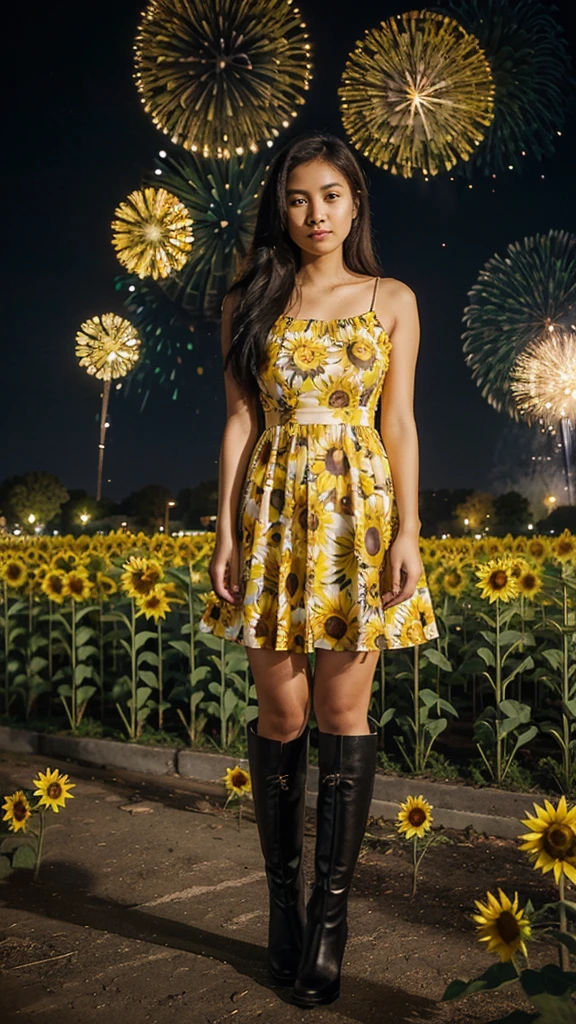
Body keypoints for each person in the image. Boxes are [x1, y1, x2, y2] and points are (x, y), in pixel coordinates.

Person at [199, 131, 439, 1007]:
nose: (316, 214)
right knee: (281, 711)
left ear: (355, 203)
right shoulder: (248, 298)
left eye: (332, 195)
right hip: (271, 514)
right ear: (281, 208)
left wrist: (408, 529)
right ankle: (280, 909)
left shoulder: (392, 298)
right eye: (299, 198)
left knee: (343, 710)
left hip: (359, 518)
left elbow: (401, 422)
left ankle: (329, 919)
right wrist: (225, 531)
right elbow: (238, 423)